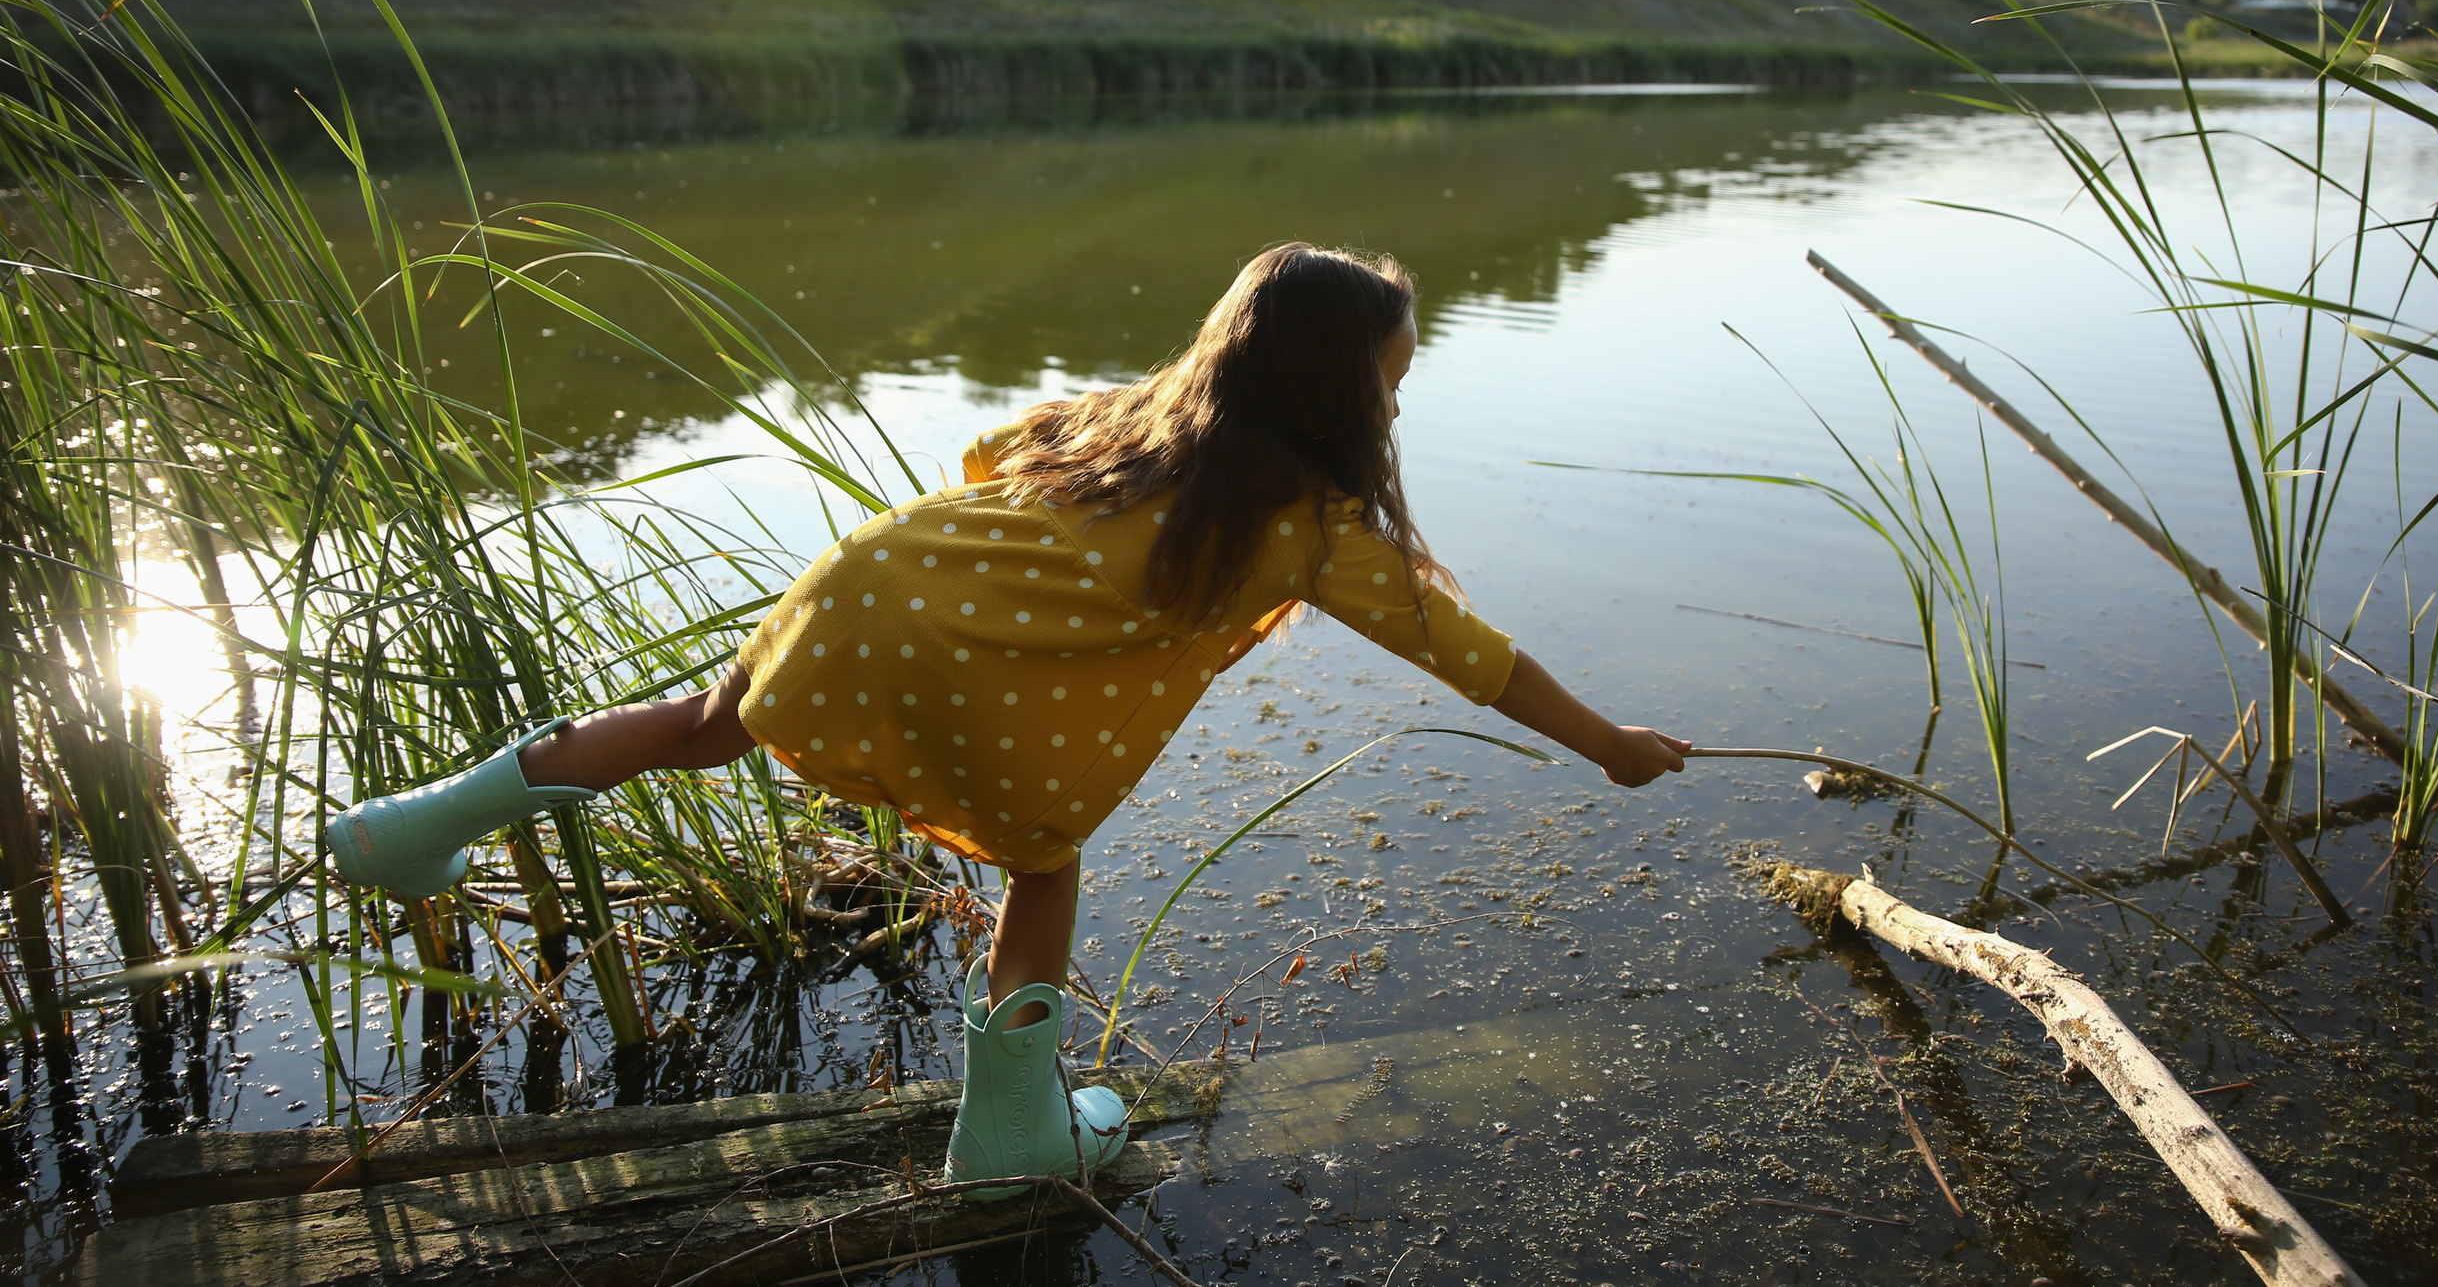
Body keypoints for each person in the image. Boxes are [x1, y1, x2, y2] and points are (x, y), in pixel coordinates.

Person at [326, 243, 1693, 1197]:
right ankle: (1011, 1137)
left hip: (865, 579)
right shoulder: (1312, 526)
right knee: (1043, 861)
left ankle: (413, 827)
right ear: (1336, 392)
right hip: (926, 628)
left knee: (696, 723)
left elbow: (987, 458)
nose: (1400, 395)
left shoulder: (1126, 418)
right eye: (1393, 377)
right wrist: (1612, 746)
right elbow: (1474, 658)